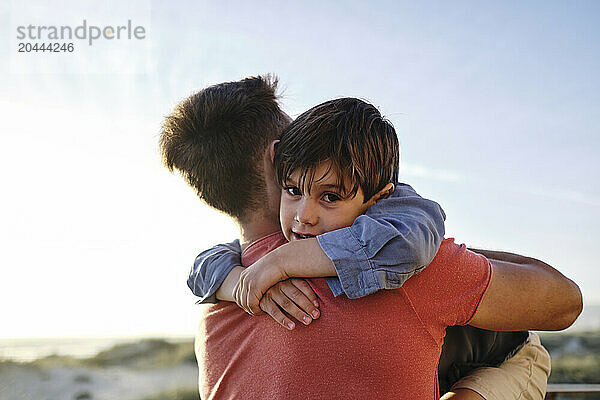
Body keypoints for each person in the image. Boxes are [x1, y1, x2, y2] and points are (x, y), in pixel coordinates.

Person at [160, 77, 580, 399]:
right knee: (529, 352)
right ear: (278, 156)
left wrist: (243, 278)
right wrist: (438, 252)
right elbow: (564, 302)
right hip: (475, 329)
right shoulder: (405, 269)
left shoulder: (213, 315)